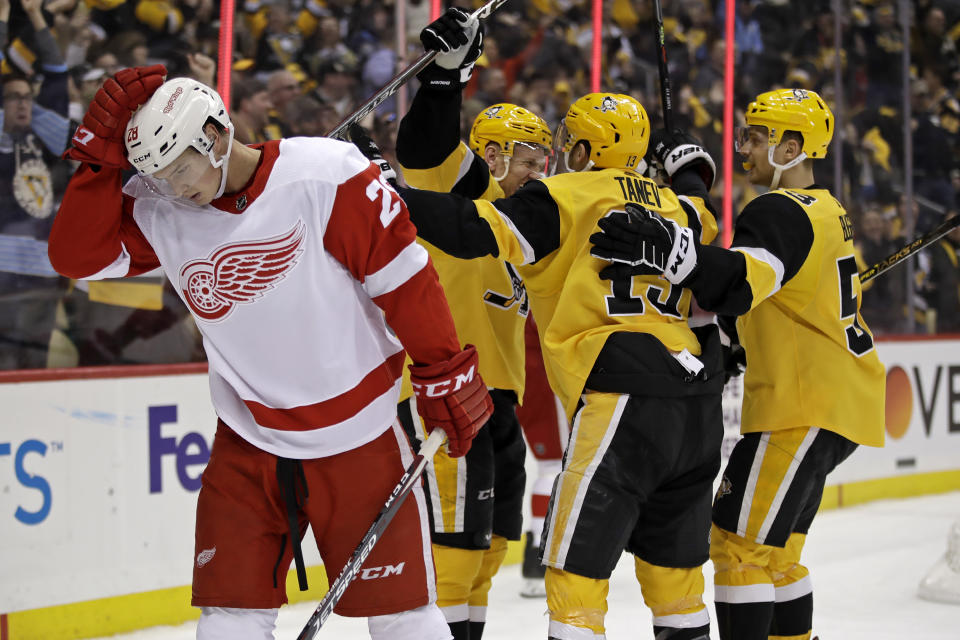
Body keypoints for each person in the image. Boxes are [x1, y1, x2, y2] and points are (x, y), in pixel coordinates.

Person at [47, 65, 495, 640]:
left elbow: (404, 281)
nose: (171, 186)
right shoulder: (160, 209)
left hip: (357, 436)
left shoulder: (326, 174)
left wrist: (443, 369)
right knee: (228, 616)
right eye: (154, 175)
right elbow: (75, 259)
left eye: (178, 168)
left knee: (402, 613)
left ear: (212, 136)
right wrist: (95, 162)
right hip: (248, 438)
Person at [358, 90, 724, 639]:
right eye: (528, 157)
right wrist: (690, 168)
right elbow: (703, 215)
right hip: (693, 398)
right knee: (676, 579)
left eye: (548, 154)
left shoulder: (558, 198)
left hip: (618, 387)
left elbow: (470, 228)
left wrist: (387, 196)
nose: (541, 167)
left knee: (572, 574)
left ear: (580, 150)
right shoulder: (675, 207)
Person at [589, 87, 886, 640]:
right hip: (835, 399)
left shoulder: (776, 210)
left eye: (756, 137)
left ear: (792, 146)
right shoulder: (828, 208)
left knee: (737, 545)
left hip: (802, 404)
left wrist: (670, 252)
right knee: (776, 551)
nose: (743, 146)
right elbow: (760, 301)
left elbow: (743, 281)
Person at [386, 8, 550, 637]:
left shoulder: (526, 221)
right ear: (497, 155)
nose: (542, 169)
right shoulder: (470, 191)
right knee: (452, 555)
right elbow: (424, 147)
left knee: (487, 553)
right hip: (444, 396)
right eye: (532, 157)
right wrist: (445, 77)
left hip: (499, 400)